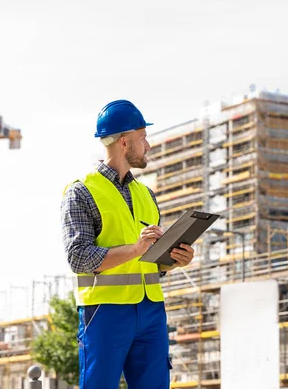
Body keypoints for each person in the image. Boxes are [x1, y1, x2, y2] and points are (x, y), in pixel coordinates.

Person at [61, 99, 195, 389]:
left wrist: (172, 259)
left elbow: (150, 264)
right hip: (105, 312)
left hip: (151, 311)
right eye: (143, 137)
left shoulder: (147, 195)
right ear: (124, 142)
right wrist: (135, 249)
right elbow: (79, 258)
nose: (148, 145)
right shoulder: (81, 192)